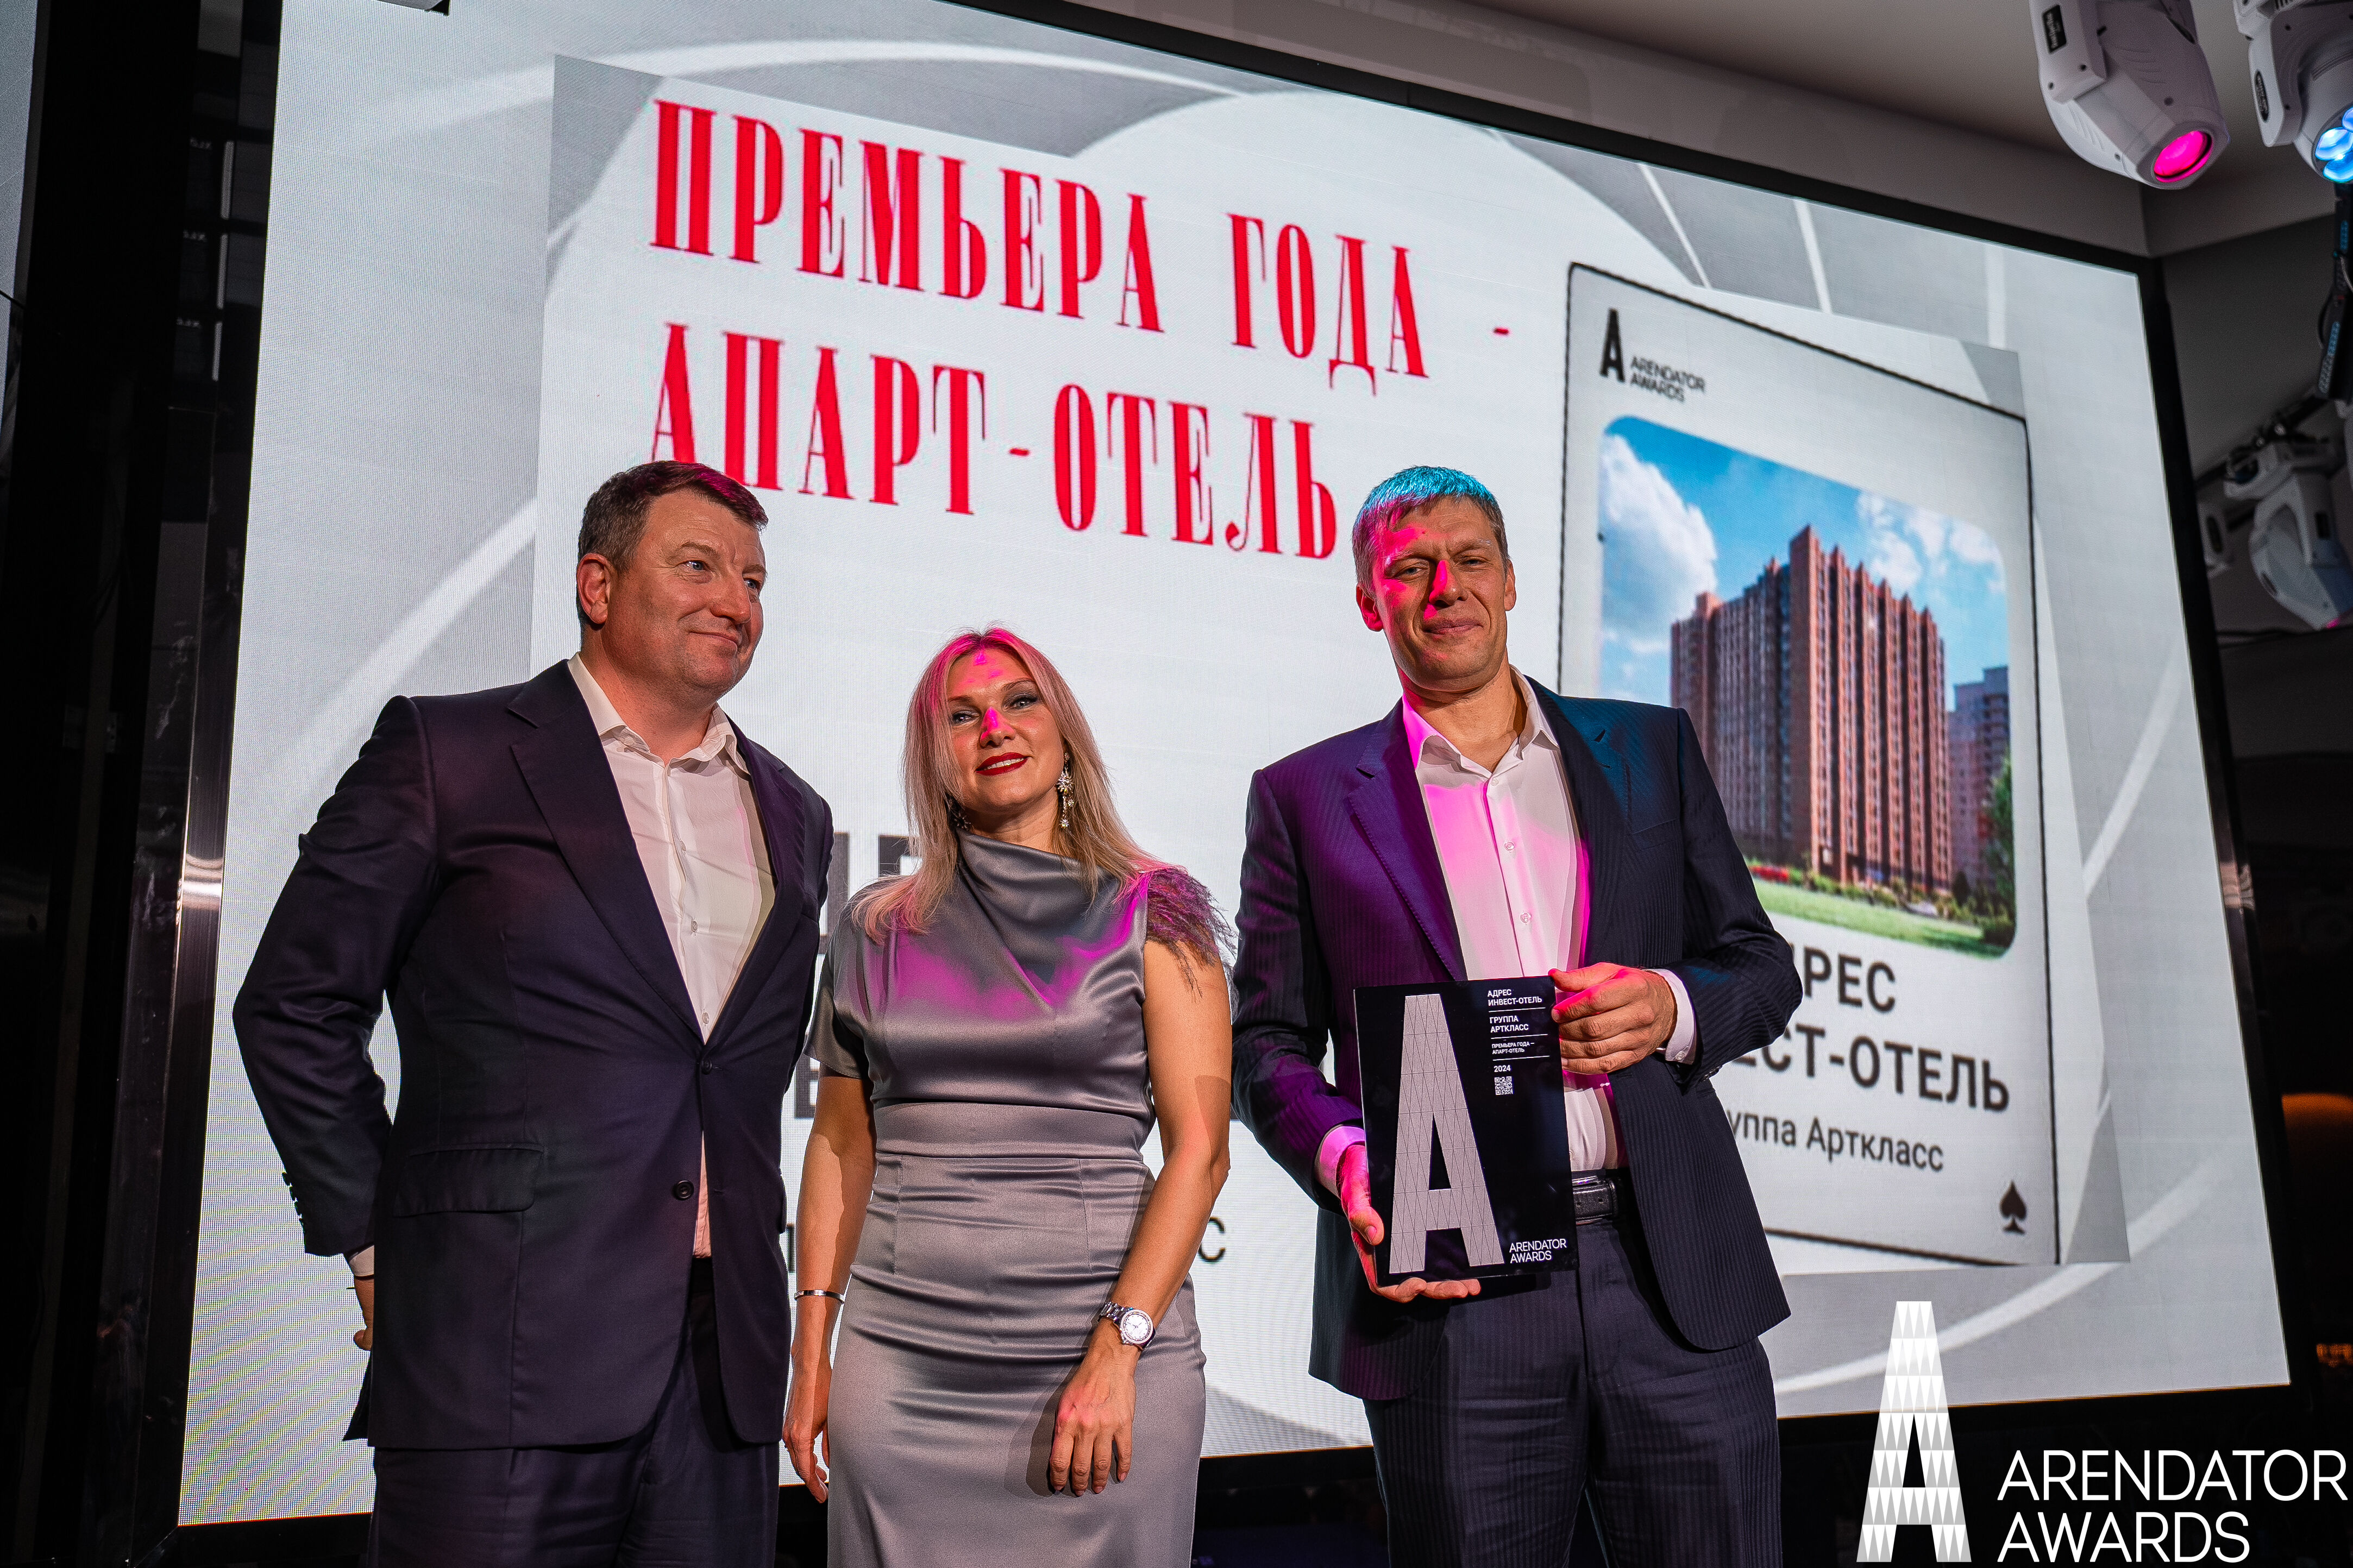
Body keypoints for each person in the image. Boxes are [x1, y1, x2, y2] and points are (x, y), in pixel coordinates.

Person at [235, 461, 833, 1567]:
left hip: (724, 1372)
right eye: (698, 566)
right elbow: (293, 1004)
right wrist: (372, 1240)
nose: (735, 601)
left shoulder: (796, 810)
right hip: (495, 1348)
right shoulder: (447, 753)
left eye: (753, 580)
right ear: (598, 585)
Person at [1229, 467, 1800, 1566]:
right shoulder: (1304, 797)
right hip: (1452, 1298)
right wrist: (1351, 1158)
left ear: (1511, 580)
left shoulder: (1650, 751)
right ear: (1370, 601)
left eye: (1470, 559)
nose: (1446, 586)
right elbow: (1267, 1045)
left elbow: (1760, 967)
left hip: (1670, 1269)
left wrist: (1672, 1006)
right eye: (1410, 568)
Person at [785, 627, 1231, 1567]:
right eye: (962, 715)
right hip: (902, 1369)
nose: (995, 727)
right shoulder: (873, 926)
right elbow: (840, 1145)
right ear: (933, 757)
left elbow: (1201, 1152)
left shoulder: (1157, 908)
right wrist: (811, 1348)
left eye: (1021, 702)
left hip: (1104, 1357)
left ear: (1065, 734)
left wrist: (1117, 1351)